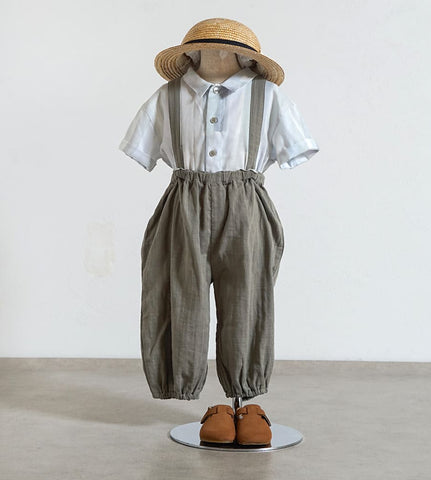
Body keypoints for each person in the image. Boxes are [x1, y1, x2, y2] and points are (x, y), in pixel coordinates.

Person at [119, 17, 319, 446]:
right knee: (176, 293)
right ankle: (184, 386)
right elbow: (142, 148)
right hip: (183, 201)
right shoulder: (168, 97)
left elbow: (294, 148)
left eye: (227, 48)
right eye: (208, 48)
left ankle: (245, 402)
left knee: (248, 297)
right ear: (190, 53)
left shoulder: (267, 97)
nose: (217, 53)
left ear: (245, 56)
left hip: (246, 201)